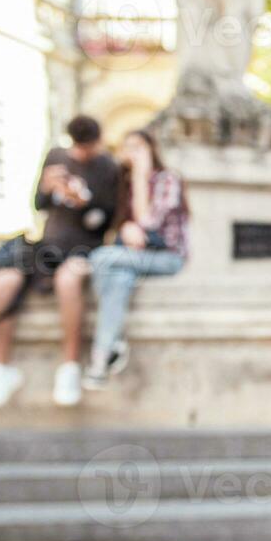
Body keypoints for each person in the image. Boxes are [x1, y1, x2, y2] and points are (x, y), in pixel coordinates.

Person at [0, 115, 119, 409]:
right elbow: (38, 204)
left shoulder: (109, 167)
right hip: (47, 248)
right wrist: (48, 188)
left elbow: (106, 221)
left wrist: (85, 203)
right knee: (1, 281)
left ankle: (69, 367)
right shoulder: (56, 156)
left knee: (68, 281)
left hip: (84, 247)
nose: (81, 154)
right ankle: (0, 369)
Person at [82, 129, 189, 391]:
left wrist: (142, 177)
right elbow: (126, 232)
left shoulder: (167, 180)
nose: (133, 152)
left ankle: (110, 345)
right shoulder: (124, 184)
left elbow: (148, 225)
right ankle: (106, 354)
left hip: (167, 258)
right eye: (127, 147)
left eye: (139, 146)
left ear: (152, 149)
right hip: (135, 260)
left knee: (100, 258)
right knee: (119, 279)